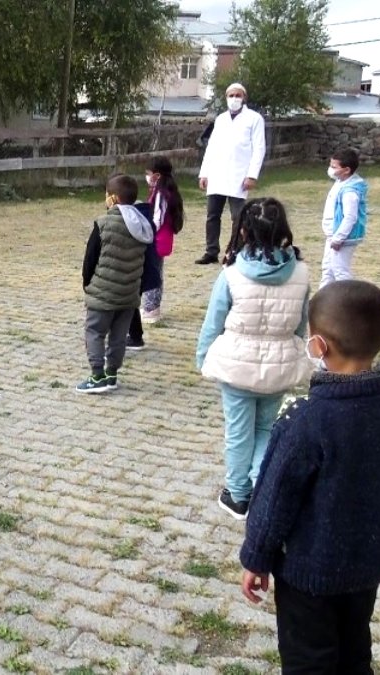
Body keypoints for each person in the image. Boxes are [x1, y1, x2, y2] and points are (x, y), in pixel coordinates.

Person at [240, 280, 380, 672]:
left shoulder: (306, 419)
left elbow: (274, 499)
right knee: (354, 648)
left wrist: (256, 558)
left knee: (309, 660)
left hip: (306, 575)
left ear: (318, 346)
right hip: (367, 567)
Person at [197, 198, 312, 519]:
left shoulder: (231, 274)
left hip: (236, 366)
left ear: (243, 231)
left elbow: (213, 321)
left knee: (238, 433)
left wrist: (203, 356)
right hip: (278, 366)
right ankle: (264, 484)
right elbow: (301, 322)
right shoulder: (301, 273)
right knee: (264, 430)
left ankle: (238, 494)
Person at [76, 174, 154, 394]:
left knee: (95, 332)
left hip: (103, 294)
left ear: (114, 199)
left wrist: (88, 284)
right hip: (129, 295)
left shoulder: (103, 223)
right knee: (118, 337)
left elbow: (90, 259)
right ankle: (112, 374)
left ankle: (97, 375)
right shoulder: (143, 226)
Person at [196, 83, 265, 265]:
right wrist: (204, 173)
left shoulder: (254, 119)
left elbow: (259, 148)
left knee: (238, 216)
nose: (234, 98)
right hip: (218, 173)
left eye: (238, 95)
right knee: (212, 215)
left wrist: (252, 175)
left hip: (239, 174)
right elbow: (211, 147)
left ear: (244, 98)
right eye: (231, 95)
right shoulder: (221, 119)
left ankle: (235, 250)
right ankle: (211, 251)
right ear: (226, 97)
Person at [128, 156, 186, 348]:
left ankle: (151, 308)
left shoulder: (161, 193)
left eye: (148, 173)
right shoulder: (164, 190)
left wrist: (148, 230)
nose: (146, 176)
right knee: (156, 270)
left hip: (158, 237)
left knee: (153, 271)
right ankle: (152, 307)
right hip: (161, 237)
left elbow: (158, 217)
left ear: (157, 175)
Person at [319, 148, 367, 287]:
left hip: (341, 238)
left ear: (346, 170)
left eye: (334, 167)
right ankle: (323, 302)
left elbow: (350, 217)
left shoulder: (350, 192)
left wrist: (339, 238)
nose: (330, 169)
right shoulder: (340, 182)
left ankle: (348, 304)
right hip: (333, 235)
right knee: (328, 270)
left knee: (340, 272)